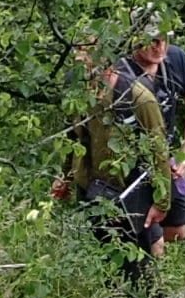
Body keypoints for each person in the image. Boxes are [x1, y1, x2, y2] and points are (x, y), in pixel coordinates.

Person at [57, 46, 173, 259]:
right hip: (89, 192)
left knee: (137, 267)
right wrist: (64, 177)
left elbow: (159, 152)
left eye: (87, 52)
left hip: (127, 197)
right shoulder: (75, 92)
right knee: (98, 260)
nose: (79, 58)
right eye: (78, 51)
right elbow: (71, 137)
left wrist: (161, 203)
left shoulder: (137, 98)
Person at [122, 13, 185, 243]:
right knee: (151, 238)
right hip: (129, 161)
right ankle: (149, 268)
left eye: (164, 39)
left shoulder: (176, 59)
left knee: (179, 230)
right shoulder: (119, 69)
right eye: (152, 40)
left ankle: (162, 263)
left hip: (165, 158)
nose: (159, 47)